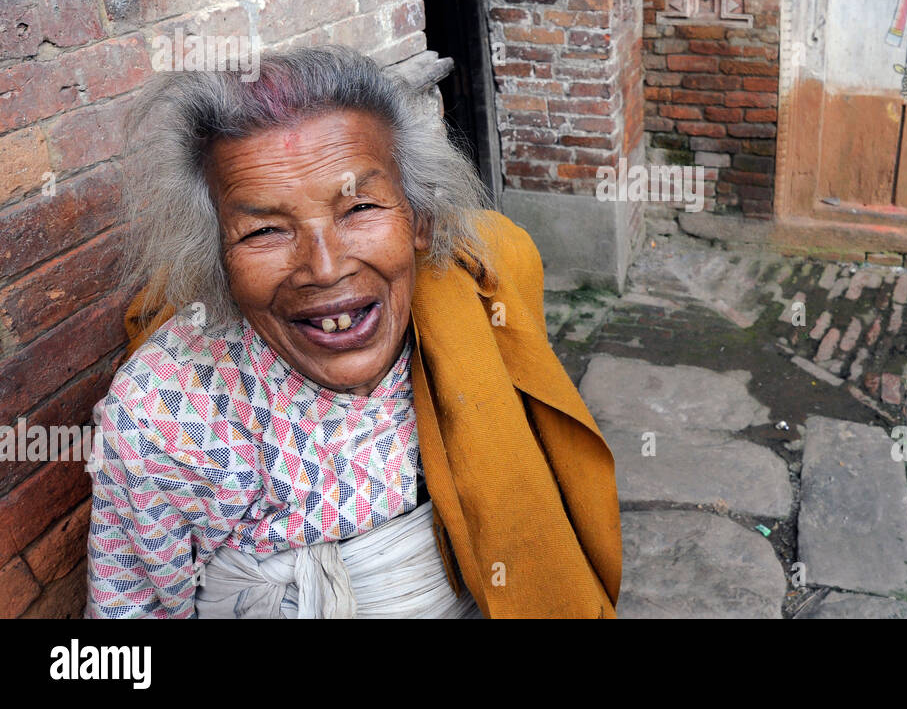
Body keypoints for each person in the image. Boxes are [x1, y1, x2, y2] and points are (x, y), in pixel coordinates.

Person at [84, 46, 621, 618]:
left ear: (420, 220)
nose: (325, 267)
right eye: (264, 229)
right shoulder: (160, 414)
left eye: (360, 208)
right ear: (215, 256)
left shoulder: (477, 300)